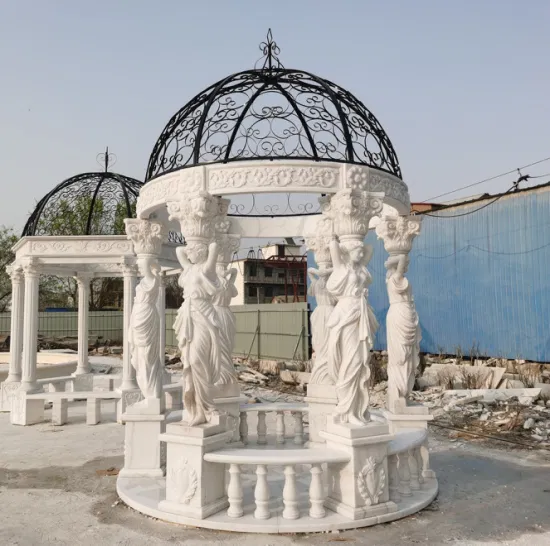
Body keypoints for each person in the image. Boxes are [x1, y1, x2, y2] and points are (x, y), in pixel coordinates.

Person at [326, 237, 378, 425]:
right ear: (348, 252)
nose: (362, 254)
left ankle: (356, 410)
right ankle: (346, 410)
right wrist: (335, 239)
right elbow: (334, 247)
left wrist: (358, 244)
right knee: (352, 360)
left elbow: (370, 249)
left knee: (361, 359)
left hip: (361, 312)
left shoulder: (360, 268)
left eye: (361, 252)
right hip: (347, 314)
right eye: (358, 251)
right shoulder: (342, 268)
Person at [174, 240, 221, 426]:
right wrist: (191, 244)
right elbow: (179, 251)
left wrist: (203, 242)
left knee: (197, 361)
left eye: (192, 251)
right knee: (190, 363)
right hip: (188, 316)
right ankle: (196, 409)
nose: (188, 254)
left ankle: (206, 406)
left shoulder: (206, 269)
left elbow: (214, 248)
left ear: (200, 252)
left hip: (204, 316)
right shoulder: (189, 269)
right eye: (189, 252)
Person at [385, 253, 421, 411]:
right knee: (400, 355)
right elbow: (402, 258)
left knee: (408, 356)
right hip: (399, 315)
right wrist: (394, 258)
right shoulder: (395, 279)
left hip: (406, 313)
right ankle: (399, 391)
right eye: (403, 266)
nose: (405, 266)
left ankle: (404, 392)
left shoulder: (394, 279)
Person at [129, 256, 162, 400]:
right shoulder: (144, 280)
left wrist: (149, 261)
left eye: (142, 266)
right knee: (138, 357)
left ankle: (151, 393)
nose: (140, 270)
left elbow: (149, 270)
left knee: (148, 356)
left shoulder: (153, 280)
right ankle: (148, 393)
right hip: (138, 315)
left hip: (146, 316)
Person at [308, 265, 336, 385]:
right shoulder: (319, 283)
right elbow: (309, 270)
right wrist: (322, 272)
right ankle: (322, 369)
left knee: (329, 343)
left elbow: (310, 271)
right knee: (320, 342)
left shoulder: (331, 283)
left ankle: (329, 370)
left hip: (328, 314)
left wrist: (320, 272)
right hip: (323, 314)